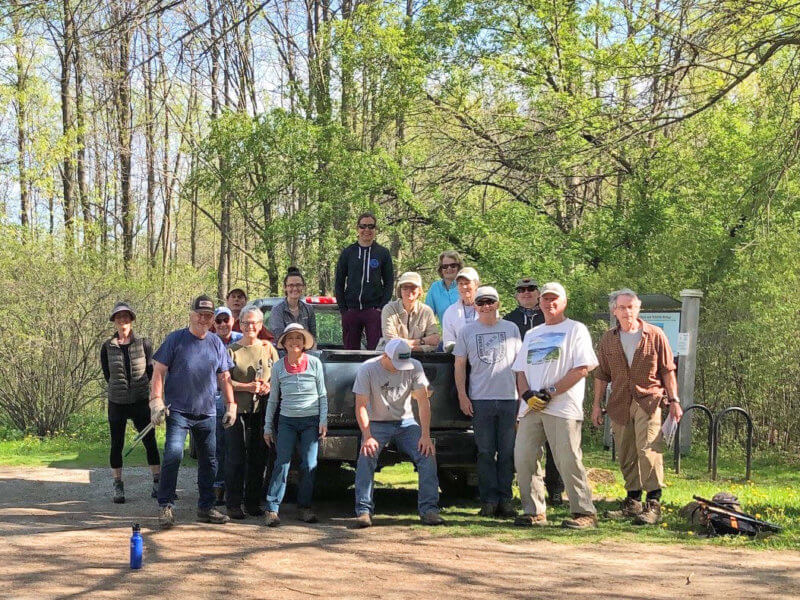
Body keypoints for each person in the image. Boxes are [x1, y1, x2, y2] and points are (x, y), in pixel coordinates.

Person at [512, 282, 599, 529]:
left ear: (563, 302)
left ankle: (584, 512)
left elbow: (583, 368)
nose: (550, 304)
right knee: (524, 457)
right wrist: (527, 394)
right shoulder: (532, 334)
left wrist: (550, 392)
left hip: (562, 406)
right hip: (531, 408)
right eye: (546, 300)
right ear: (539, 302)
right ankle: (534, 511)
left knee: (567, 459)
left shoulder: (575, 330)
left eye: (555, 300)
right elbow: (519, 370)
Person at [593, 288, 682, 525]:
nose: (627, 311)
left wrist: (674, 401)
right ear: (614, 310)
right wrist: (595, 405)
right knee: (626, 452)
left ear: (639, 308)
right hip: (620, 401)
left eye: (631, 307)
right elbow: (601, 374)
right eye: (622, 307)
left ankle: (654, 503)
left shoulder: (655, 334)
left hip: (649, 399)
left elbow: (667, 369)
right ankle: (633, 501)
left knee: (649, 450)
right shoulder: (608, 339)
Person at [150, 295, 235, 529]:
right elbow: (158, 371)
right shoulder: (176, 339)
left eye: (208, 316)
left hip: (207, 413)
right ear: (191, 314)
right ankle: (165, 505)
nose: (203, 319)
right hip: (178, 411)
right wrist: (156, 401)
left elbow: (224, 376)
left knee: (210, 461)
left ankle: (206, 507)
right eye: (200, 314)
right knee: (173, 456)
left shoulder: (216, 343)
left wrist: (231, 405)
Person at [352, 338, 444, 527]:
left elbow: (423, 402)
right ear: (385, 355)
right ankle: (363, 510)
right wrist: (367, 436)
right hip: (377, 422)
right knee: (366, 454)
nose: (400, 367)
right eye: (396, 362)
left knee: (427, 454)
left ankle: (429, 510)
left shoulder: (414, 366)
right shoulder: (367, 369)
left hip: (406, 422)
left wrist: (425, 436)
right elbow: (360, 405)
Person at [453, 286, 521, 518]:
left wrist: (522, 398)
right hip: (480, 399)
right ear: (475, 306)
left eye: (490, 302)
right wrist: (463, 395)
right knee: (484, 452)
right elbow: (459, 365)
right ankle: (489, 500)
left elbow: (520, 367)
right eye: (481, 302)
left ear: (498, 304)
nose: (486, 306)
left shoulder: (511, 329)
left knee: (507, 452)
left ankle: (506, 500)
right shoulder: (467, 331)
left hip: (509, 399)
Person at [504, 277, 564, 506]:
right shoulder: (509, 321)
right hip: (520, 388)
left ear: (538, 294)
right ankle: (524, 491)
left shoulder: (549, 317)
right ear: (516, 295)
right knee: (524, 443)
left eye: (531, 289)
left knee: (554, 443)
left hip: (551, 387)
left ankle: (556, 490)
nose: (526, 293)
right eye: (521, 290)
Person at [263, 323, 327, 526]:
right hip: (287, 421)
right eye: (290, 338)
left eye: (298, 338)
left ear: (304, 343)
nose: (294, 342)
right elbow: (273, 399)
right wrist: (267, 427)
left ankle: (304, 507)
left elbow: (322, 394)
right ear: (283, 343)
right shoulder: (278, 366)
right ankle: (272, 509)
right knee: (282, 462)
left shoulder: (315, 363)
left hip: (311, 421)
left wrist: (323, 420)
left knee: (309, 464)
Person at [100, 302, 160, 503]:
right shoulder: (107, 347)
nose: (123, 320)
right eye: (119, 317)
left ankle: (157, 482)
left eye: (126, 317)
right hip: (117, 401)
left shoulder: (144, 343)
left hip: (140, 401)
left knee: (149, 441)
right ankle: (118, 485)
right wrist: (121, 389)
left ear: (131, 320)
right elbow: (108, 374)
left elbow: (152, 371)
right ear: (114, 321)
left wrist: (152, 397)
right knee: (116, 444)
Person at [225, 305, 279, 519]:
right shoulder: (230, 350)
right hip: (236, 411)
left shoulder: (268, 349)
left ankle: (252, 501)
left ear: (260, 325)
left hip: (261, 411)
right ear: (240, 324)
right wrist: (247, 387)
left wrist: (268, 387)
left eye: (254, 323)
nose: (250, 327)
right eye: (246, 323)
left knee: (258, 458)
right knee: (236, 458)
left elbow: (278, 376)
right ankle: (233, 503)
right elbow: (224, 381)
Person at [334, 212, 394, 350]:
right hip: (351, 310)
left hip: (373, 310)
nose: (367, 230)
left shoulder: (382, 253)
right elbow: (339, 282)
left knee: (376, 351)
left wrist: (380, 308)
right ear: (357, 228)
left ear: (375, 229)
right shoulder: (348, 252)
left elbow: (389, 282)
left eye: (371, 226)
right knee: (350, 352)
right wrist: (344, 309)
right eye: (363, 226)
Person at [211, 306, 243, 505]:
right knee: (217, 445)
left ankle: (238, 486)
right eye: (219, 321)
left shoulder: (242, 339)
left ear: (233, 320)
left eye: (226, 320)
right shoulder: (209, 341)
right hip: (215, 395)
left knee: (239, 448)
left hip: (241, 395)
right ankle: (217, 485)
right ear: (214, 324)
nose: (223, 324)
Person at [378, 271, 440, 352]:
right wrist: (422, 342)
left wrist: (411, 348)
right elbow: (391, 342)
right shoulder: (389, 309)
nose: (409, 291)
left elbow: (434, 342)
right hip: (389, 357)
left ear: (420, 291)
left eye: (413, 287)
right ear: (400, 290)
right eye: (405, 287)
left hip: (420, 358)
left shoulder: (426, 311)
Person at [268, 266, 317, 341]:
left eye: (298, 285)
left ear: (303, 287)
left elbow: (313, 338)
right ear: (285, 287)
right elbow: (279, 338)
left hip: (306, 351)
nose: (295, 288)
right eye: (291, 285)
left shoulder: (308, 309)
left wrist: (311, 352)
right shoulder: (277, 310)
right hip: (283, 352)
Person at [441, 267, 480, 349]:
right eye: (460, 284)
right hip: (459, 357)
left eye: (467, 283)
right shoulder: (450, 312)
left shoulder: (487, 307)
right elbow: (448, 340)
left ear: (476, 285)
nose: (464, 287)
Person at [425, 250, 463, 322]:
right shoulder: (435, 288)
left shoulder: (466, 286)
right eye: (445, 266)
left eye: (453, 265)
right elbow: (427, 316)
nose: (449, 268)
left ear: (459, 267)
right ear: (441, 269)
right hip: (446, 332)